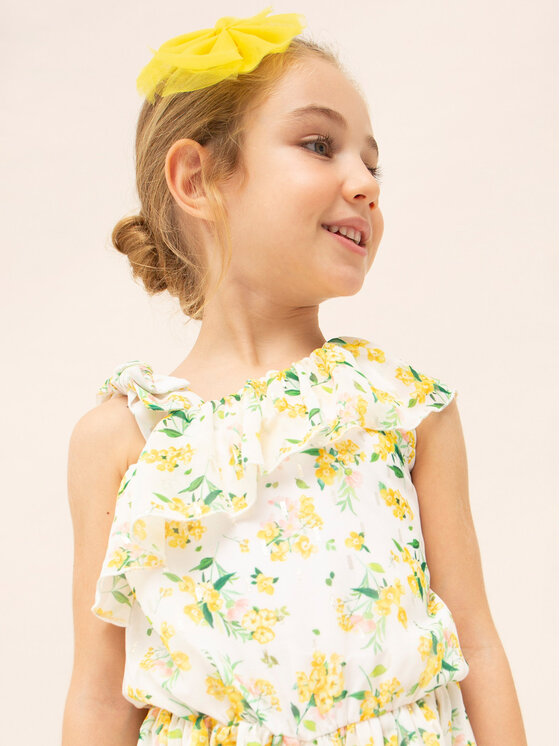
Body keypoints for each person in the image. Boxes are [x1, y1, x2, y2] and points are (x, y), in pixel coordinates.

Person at [62, 7, 527, 746]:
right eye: (320, 145)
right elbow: (100, 697)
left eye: (372, 164)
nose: (365, 183)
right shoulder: (124, 438)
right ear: (197, 179)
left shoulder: (403, 408)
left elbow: (474, 642)